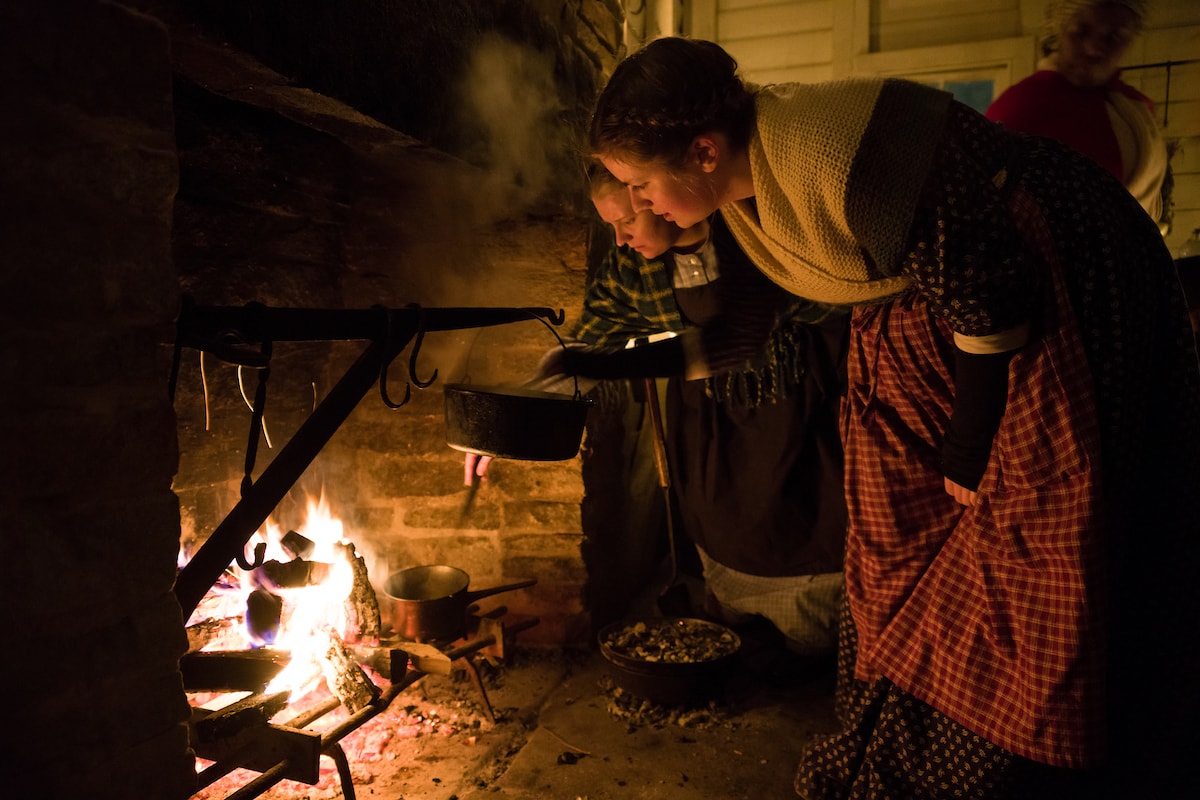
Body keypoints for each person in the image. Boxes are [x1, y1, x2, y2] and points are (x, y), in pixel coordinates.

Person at [565, 35, 1200, 799]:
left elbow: (991, 298)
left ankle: (1020, 757)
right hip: (934, 332)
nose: (636, 205)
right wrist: (591, 364)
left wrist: (969, 450)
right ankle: (905, 745)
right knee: (895, 554)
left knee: (1020, 545)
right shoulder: (741, 196)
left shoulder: (834, 154)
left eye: (639, 184)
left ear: (702, 150)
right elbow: (731, 333)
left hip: (1043, 291)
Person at [469, 162, 850, 656]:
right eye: (609, 226)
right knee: (721, 521)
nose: (621, 238)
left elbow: (775, 325)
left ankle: (816, 647)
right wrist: (508, 425)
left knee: (800, 520)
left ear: (656, 196)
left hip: (793, 407)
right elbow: (584, 352)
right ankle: (742, 629)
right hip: (711, 420)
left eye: (626, 221)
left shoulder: (753, 237)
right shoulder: (634, 270)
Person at [986, 0, 1168, 226]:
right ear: (1059, 31)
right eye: (1081, 30)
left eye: (1113, 38)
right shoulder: (1022, 107)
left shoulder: (1134, 111)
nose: (1094, 48)